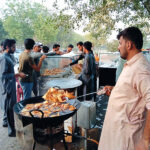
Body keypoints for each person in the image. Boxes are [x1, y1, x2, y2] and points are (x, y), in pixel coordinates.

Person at [98, 27, 150, 150]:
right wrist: (115, 90)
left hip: (125, 139)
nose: (118, 47)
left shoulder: (141, 69)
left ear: (129, 44)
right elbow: (132, 90)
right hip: (116, 133)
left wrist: (145, 140)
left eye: (120, 43)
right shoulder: (132, 64)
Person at [0, 39, 26, 137]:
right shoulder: (4, 58)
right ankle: (12, 131)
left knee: (11, 108)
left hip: (11, 85)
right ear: (7, 47)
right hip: (7, 88)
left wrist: (16, 74)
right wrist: (17, 74)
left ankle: (11, 127)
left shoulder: (9, 56)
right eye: (13, 47)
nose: (15, 49)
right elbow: (2, 76)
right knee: (9, 109)